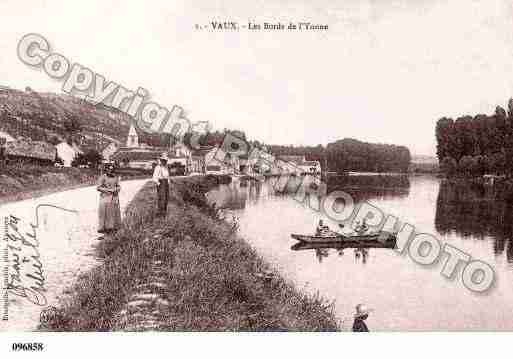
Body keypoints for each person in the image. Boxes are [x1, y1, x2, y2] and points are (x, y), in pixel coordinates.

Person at [97, 162, 121, 236]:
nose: (110, 171)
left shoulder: (115, 177)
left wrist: (116, 189)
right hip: (105, 197)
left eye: (112, 169)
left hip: (114, 197)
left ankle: (112, 227)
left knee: (113, 212)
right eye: (109, 169)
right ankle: (103, 227)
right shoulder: (102, 177)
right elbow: (98, 187)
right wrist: (107, 190)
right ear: (106, 170)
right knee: (104, 212)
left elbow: (118, 186)